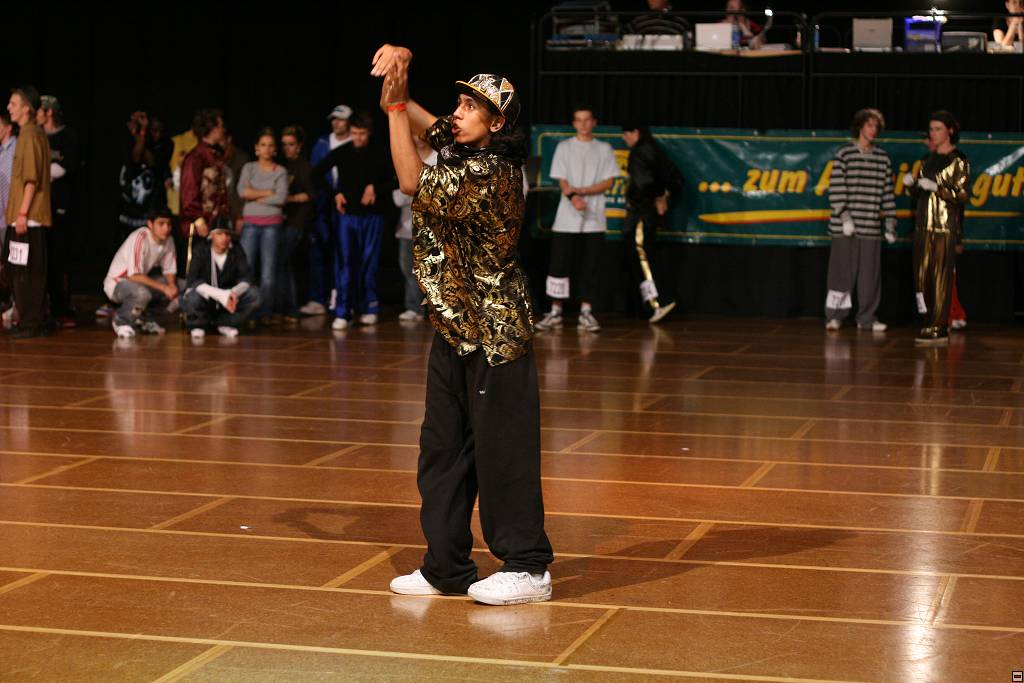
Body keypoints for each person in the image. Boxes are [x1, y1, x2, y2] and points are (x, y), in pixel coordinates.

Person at [373, 44, 554, 606]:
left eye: (471, 106)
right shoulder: (462, 147)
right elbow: (426, 123)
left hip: (496, 333)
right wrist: (401, 79)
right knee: (442, 450)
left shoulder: (492, 172)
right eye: (459, 102)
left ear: (497, 124)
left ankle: (528, 566)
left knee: (503, 453)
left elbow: (410, 178)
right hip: (455, 326)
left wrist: (395, 108)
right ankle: (446, 566)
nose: (458, 112)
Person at [535, 104, 619, 333]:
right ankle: (555, 311)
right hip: (566, 218)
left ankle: (586, 312)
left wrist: (583, 192)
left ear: (594, 122)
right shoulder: (564, 147)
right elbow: (562, 180)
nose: (583, 124)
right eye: (579, 120)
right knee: (559, 263)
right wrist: (573, 197)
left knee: (590, 265)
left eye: (587, 119)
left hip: (594, 219)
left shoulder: (604, 149)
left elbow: (609, 181)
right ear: (574, 124)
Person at [312, 111, 393, 330]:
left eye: (362, 134)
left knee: (369, 263)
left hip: (372, 217)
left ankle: (369, 308)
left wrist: (375, 188)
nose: (358, 138)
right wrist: (335, 193)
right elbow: (316, 174)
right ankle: (343, 311)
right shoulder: (342, 152)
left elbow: (398, 180)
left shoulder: (380, 152)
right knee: (345, 264)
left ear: (369, 133)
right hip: (347, 217)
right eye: (354, 133)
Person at [824, 108, 896, 333]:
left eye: (876, 126)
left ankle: (866, 318)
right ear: (860, 127)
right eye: (869, 125)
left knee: (869, 278)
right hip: (845, 228)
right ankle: (835, 316)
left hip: (870, 228)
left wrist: (890, 225)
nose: (873, 130)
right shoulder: (844, 154)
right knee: (840, 275)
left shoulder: (882, 158)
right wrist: (845, 217)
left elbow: (887, 194)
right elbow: (836, 188)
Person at [904, 111, 969, 346]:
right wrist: (911, 186)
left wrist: (936, 187)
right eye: (931, 129)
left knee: (941, 277)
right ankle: (927, 320)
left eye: (938, 129)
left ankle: (939, 326)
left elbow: (961, 195)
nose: (934, 133)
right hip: (923, 226)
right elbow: (919, 194)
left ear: (950, 131)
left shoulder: (958, 160)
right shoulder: (927, 160)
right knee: (922, 277)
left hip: (944, 227)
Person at [621, 121, 682, 323]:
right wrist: (663, 195)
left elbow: (644, 184)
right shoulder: (654, 150)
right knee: (644, 255)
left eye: (626, 133)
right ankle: (651, 303)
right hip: (648, 213)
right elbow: (674, 179)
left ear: (636, 132)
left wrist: (657, 196)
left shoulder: (639, 152)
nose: (624, 138)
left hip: (641, 213)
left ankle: (659, 301)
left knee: (641, 254)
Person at [5, 85, 52, 339]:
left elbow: (31, 179)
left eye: (13, 104)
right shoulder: (30, 133)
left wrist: (22, 213)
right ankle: (34, 319)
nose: (8, 108)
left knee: (26, 273)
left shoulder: (29, 136)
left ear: (26, 109)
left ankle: (31, 322)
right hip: (24, 216)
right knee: (24, 270)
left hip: (28, 218)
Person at [300, 104, 352, 317]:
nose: (336, 123)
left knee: (345, 254)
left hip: (348, 204)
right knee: (319, 251)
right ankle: (317, 299)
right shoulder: (323, 143)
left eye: (341, 119)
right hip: (324, 204)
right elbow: (315, 174)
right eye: (334, 120)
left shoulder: (355, 141)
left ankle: (343, 299)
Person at [237, 128, 288, 325]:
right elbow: (242, 192)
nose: (267, 149)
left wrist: (255, 194)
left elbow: (281, 198)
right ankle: (247, 311)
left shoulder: (280, 171)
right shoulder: (249, 168)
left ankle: (265, 312)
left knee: (268, 273)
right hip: (250, 223)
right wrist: (268, 192)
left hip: (272, 226)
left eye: (270, 145)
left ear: (275, 149)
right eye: (263, 145)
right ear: (257, 148)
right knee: (246, 270)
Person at [180, 216, 260, 339]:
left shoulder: (236, 249)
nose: (224, 238)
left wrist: (232, 293)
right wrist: (221, 295)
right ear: (211, 235)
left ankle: (225, 323)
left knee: (255, 295)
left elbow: (247, 278)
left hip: (229, 299)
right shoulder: (201, 249)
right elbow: (192, 280)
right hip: (207, 296)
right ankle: (199, 324)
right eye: (219, 234)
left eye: (227, 234)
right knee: (192, 296)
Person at [103, 207, 178, 338]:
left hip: (139, 282)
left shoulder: (168, 240)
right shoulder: (140, 237)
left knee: (181, 286)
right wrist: (164, 288)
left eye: (168, 224)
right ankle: (121, 321)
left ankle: (143, 319)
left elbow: (169, 269)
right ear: (150, 224)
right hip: (118, 283)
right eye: (161, 224)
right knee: (143, 294)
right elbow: (134, 275)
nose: (166, 228)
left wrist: (171, 286)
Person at [37, 95, 78, 327]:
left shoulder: (67, 137)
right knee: (41, 258)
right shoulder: (36, 135)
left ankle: (62, 307)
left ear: (49, 112)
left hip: (61, 207)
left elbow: (64, 168)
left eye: (40, 110)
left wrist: (42, 172)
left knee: (59, 258)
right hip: (40, 208)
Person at [391, 133, 436, 322]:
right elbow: (399, 196)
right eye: (414, 133)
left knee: (432, 269)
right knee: (407, 267)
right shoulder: (405, 157)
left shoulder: (438, 158)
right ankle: (414, 307)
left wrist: (417, 190)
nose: (418, 138)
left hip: (433, 226)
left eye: (421, 133)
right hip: (407, 225)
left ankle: (436, 310)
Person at [279, 125, 315, 321]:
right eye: (284, 144)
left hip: (298, 221)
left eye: (291, 144)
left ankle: (291, 308)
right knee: (284, 264)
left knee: (284, 261)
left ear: (299, 146)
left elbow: (311, 194)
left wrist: (287, 199)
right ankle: (287, 307)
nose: (287, 148)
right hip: (284, 221)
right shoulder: (283, 165)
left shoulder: (303, 166)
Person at [118, 111, 170, 243]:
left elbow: (152, 161)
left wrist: (140, 133)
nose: (157, 135)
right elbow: (136, 157)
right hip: (127, 213)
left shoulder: (165, 146)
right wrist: (140, 132)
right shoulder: (129, 140)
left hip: (148, 214)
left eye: (160, 131)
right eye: (154, 130)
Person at [179, 109, 229, 243]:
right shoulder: (195, 158)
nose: (223, 130)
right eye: (221, 126)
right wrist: (198, 220)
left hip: (216, 224)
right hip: (200, 228)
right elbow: (189, 192)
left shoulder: (216, 155)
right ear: (212, 128)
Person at [0, 111, 17, 326]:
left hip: (10, 217)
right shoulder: (1, 151)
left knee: (12, 264)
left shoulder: (16, 149)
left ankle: (16, 303)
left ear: (8, 127)